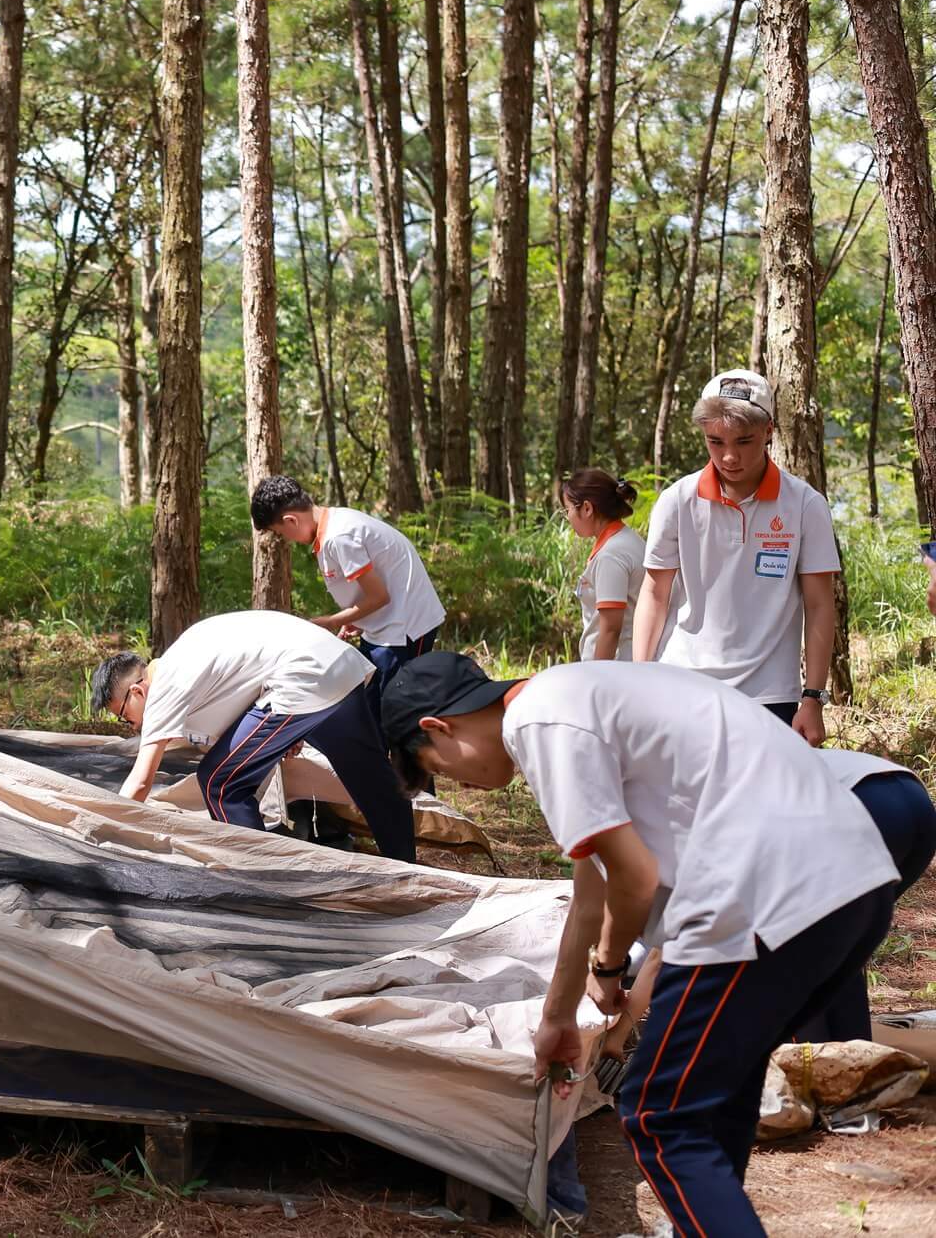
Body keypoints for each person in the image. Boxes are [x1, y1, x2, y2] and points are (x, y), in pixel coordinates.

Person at [380, 650, 934, 1238]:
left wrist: (612, 963)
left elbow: (635, 879)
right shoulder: (581, 691)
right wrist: (559, 1017)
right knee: (723, 1093)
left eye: (439, 767)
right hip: (853, 880)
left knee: (658, 1116)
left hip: (759, 888)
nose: (458, 782)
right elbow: (589, 897)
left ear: (437, 728)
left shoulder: (538, 722)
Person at [90, 611, 417, 864]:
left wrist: (101, 831)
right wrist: (287, 734)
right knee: (372, 779)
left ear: (136, 691)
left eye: (124, 715)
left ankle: (261, 879)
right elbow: (246, 690)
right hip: (337, 666)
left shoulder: (163, 685)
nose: (132, 726)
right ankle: (410, 871)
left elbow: (140, 782)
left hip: (300, 679)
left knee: (221, 783)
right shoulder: (186, 656)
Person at [635, 369, 839, 743]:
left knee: (765, 800)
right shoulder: (677, 501)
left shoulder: (805, 505)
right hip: (682, 682)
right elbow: (654, 593)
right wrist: (639, 679)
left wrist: (812, 697)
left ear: (769, 431)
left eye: (744, 441)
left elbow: (820, 604)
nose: (730, 456)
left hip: (771, 695)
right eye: (716, 441)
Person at [251, 475, 446, 691]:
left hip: (407, 625)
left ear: (291, 520)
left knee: (399, 704)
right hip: (385, 623)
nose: (287, 539)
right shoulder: (331, 526)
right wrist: (354, 618)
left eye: (281, 533)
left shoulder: (339, 536)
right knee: (374, 699)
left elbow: (379, 597)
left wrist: (331, 621)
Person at [560, 468, 645, 661]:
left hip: (616, 669)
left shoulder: (611, 555)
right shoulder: (625, 540)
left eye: (568, 510)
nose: (567, 518)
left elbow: (610, 631)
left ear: (587, 508)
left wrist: (598, 678)